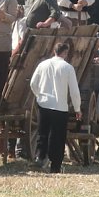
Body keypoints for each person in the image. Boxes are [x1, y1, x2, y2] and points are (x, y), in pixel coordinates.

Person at [30, 42, 82, 174]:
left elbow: (33, 83)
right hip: (60, 106)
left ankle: (40, 158)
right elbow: (74, 91)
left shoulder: (43, 65)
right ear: (65, 53)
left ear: (54, 51)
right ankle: (55, 165)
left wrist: (39, 96)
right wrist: (77, 108)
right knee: (57, 137)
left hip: (44, 104)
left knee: (43, 133)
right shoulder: (68, 67)